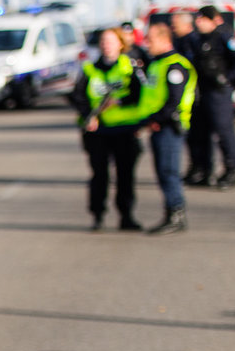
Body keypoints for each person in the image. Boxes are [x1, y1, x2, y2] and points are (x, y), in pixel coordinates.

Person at [68, 28, 143, 231]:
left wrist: (120, 101)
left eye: (111, 41)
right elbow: (77, 96)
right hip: (97, 132)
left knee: (125, 176)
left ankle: (126, 215)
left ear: (120, 43)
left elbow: (141, 95)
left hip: (124, 130)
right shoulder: (90, 69)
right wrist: (87, 117)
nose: (106, 45)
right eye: (103, 41)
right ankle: (98, 215)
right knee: (99, 175)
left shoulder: (131, 67)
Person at [126, 21, 197, 235]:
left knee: (169, 172)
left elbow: (173, 101)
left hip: (169, 126)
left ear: (165, 40)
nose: (147, 44)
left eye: (151, 40)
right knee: (163, 172)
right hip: (157, 126)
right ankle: (171, 212)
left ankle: (176, 215)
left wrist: (154, 120)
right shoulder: (157, 64)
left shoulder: (175, 65)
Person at [186, 4, 235, 189]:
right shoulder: (199, 38)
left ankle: (233, 170)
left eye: (201, 19)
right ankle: (205, 170)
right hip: (203, 91)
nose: (198, 23)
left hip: (218, 92)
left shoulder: (224, 36)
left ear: (212, 20)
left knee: (224, 131)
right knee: (201, 132)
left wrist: (229, 80)